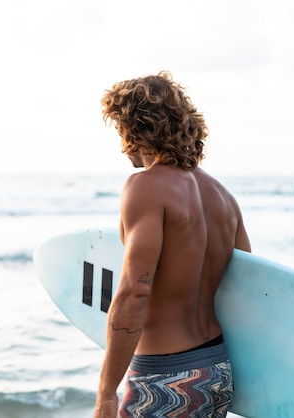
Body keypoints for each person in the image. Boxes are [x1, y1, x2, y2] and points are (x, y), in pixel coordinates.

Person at [93, 71, 251, 418]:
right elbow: (246, 288)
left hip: (162, 378)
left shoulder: (144, 187)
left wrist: (106, 393)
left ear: (133, 129)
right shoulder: (224, 198)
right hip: (216, 372)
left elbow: (135, 290)